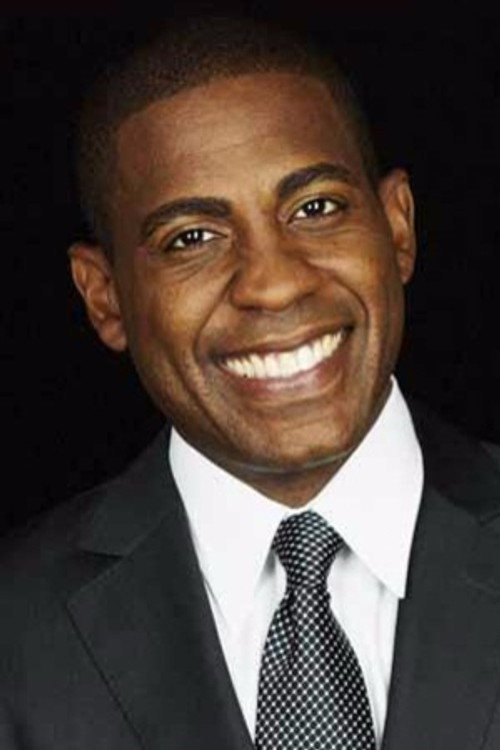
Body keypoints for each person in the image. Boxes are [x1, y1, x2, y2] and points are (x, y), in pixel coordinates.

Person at [2, 16, 500, 750]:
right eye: (192, 239)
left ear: (398, 228)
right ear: (104, 296)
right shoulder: (15, 634)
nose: (273, 284)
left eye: (316, 208)